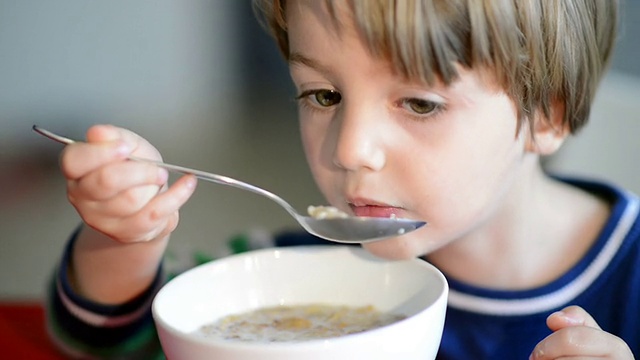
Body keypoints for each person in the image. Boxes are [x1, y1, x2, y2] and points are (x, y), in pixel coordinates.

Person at [46, 0, 639, 359]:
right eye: (324, 95)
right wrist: (124, 240)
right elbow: (110, 341)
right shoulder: (289, 277)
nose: (350, 149)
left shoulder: (630, 278)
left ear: (548, 114)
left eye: (420, 104)